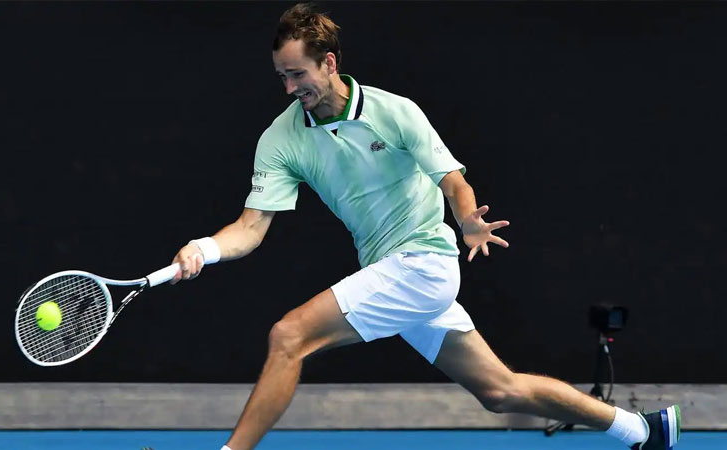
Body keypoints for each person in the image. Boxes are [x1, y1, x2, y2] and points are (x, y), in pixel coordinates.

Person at [169, 4, 680, 450]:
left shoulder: (394, 112)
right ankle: (641, 430)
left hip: (422, 263)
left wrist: (468, 221)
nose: (289, 87)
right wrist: (204, 248)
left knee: (289, 335)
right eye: (281, 76)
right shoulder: (281, 139)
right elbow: (251, 227)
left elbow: (453, 183)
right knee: (500, 391)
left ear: (329, 63)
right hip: (391, 271)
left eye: (298, 73)